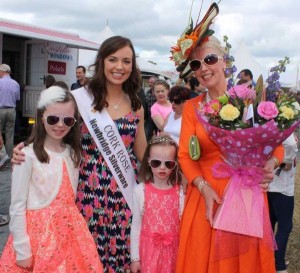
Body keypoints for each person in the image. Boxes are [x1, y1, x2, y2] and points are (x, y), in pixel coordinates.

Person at [12, 36, 147, 272]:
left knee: (119, 259)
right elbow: (55, 126)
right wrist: (25, 145)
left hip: (122, 197)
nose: (119, 67)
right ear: (102, 61)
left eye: (126, 61)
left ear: (132, 65)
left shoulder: (136, 106)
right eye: (113, 59)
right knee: (84, 258)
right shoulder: (80, 99)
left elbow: (142, 153)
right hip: (87, 193)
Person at [175, 35, 284, 273]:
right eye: (196, 64)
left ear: (224, 61)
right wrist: (203, 188)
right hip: (207, 198)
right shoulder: (192, 108)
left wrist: (272, 163)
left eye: (209, 59)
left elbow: (276, 143)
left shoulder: (251, 100)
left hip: (245, 196)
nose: (203, 68)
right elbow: (184, 155)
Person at [0, 86, 103, 272]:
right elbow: (17, 206)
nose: (60, 125)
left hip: (71, 236)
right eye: (53, 119)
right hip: (37, 238)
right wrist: (22, 249)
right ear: (41, 117)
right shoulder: (27, 156)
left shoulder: (73, 153)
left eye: (68, 120)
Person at [130, 135, 184, 273]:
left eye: (168, 164)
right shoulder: (140, 191)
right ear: (148, 161)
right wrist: (135, 258)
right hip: (148, 253)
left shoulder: (181, 193)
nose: (162, 167)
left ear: (175, 164)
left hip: (173, 254)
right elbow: (136, 226)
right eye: (156, 163)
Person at [268, 133, 298, 273]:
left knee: (270, 224)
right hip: (282, 185)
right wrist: (288, 159)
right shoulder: (285, 117)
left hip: (268, 183)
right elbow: (291, 143)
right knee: (285, 226)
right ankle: (279, 266)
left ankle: (268, 260)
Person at [0, 64, 20, 157]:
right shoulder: (16, 83)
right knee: (10, 135)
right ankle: (9, 157)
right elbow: (17, 98)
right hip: (11, 110)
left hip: (1, 110)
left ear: (2, 71)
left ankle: (1, 156)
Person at [144, 76, 158, 141]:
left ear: (156, 83)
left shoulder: (159, 92)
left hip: (159, 117)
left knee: (160, 135)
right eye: (149, 82)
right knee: (146, 135)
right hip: (150, 117)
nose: (150, 84)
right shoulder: (147, 92)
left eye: (152, 82)